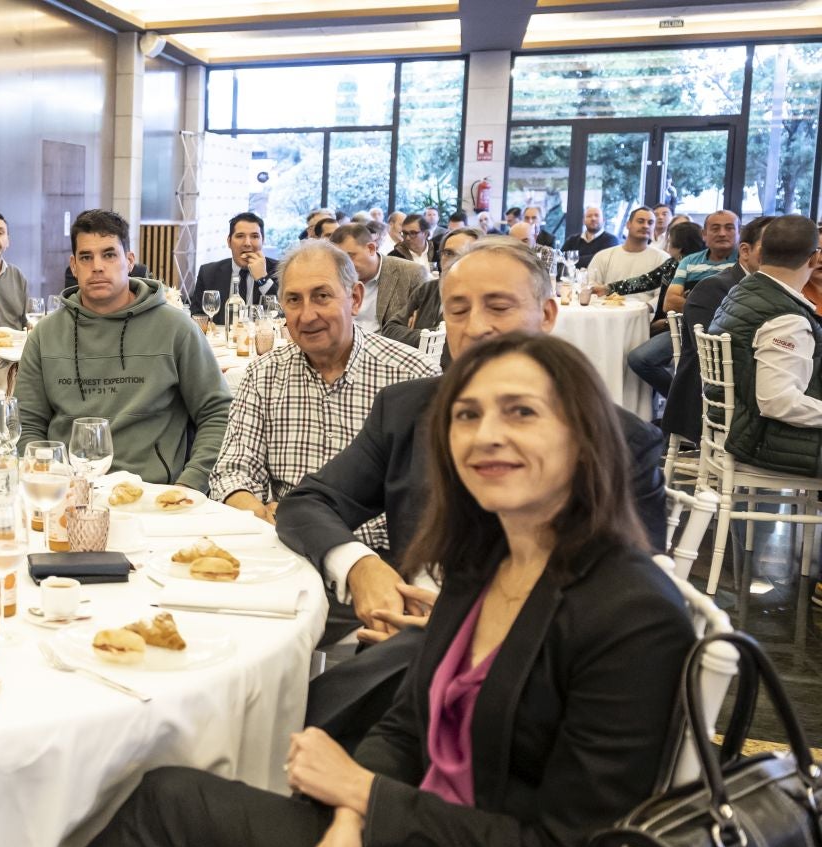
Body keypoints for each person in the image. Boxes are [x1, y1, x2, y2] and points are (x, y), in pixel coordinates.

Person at [7, 331, 695, 847]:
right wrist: (348, 823)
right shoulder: (487, 559)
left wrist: (369, 799)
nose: (487, 433)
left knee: (168, 801)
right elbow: (405, 726)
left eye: (521, 411)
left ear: (584, 434)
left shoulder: (631, 611)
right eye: (466, 413)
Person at [274, 239, 667, 749]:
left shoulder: (619, 443)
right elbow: (308, 502)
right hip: (401, 649)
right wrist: (362, 567)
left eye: (498, 306)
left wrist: (468, 624)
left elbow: (626, 606)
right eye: (459, 309)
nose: (476, 326)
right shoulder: (408, 410)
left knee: (285, 742)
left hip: (515, 686)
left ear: (547, 314)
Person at [207, 240, 436, 535]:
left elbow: (424, 502)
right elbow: (232, 472)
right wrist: (256, 514)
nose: (307, 315)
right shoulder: (263, 374)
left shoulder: (413, 377)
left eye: (322, 296)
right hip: (280, 546)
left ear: (354, 299)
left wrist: (321, 532)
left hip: (378, 555)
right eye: (293, 300)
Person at [17, 208, 229, 489]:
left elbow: (217, 412)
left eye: (109, 254)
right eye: (86, 257)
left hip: (155, 494)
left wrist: (191, 483)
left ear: (129, 261)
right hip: (69, 492)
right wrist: (47, 481)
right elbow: (27, 424)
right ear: (73, 266)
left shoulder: (176, 328)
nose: (97, 266)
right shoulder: (45, 334)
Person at [717, 214, 822, 477]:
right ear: (813, 259)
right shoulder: (785, 319)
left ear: (761, 252)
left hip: (737, 426)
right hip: (762, 439)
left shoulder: (742, 291)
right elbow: (778, 402)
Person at [661, 214, 772, 443]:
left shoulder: (775, 289)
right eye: (772, 247)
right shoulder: (716, 288)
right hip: (716, 400)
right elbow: (718, 360)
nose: (783, 257)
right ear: (745, 251)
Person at [330, 223, 427, 345]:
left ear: (371, 248)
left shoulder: (412, 274)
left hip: (390, 352)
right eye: (339, 260)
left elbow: (426, 329)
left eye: (350, 257)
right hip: (343, 347)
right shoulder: (335, 276)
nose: (345, 265)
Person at [189, 212, 278, 327]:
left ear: (263, 241)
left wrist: (262, 278)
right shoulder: (208, 273)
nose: (247, 243)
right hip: (220, 343)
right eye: (240, 236)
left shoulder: (279, 270)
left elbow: (284, 313)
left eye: (255, 236)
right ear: (229, 242)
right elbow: (197, 317)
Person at [403, 226, 484, 339]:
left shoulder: (483, 298)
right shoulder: (428, 288)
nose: (454, 261)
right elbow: (390, 329)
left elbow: (451, 339)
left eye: (464, 255)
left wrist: (415, 333)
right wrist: (428, 335)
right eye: (448, 253)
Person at [588, 207, 673, 303]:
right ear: (628, 225)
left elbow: (663, 295)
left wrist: (645, 310)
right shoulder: (603, 256)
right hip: (607, 312)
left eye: (650, 223)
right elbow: (591, 286)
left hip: (645, 315)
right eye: (640, 221)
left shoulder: (663, 258)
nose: (646, 226)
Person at [664, 209, 739, 313]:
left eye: (729, 228)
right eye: (715, 229)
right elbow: (669, 303)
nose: (722, 233)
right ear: (704, 234)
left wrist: (692, 302)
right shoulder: (689, 261)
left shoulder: (746, 261)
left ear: (739, 233)